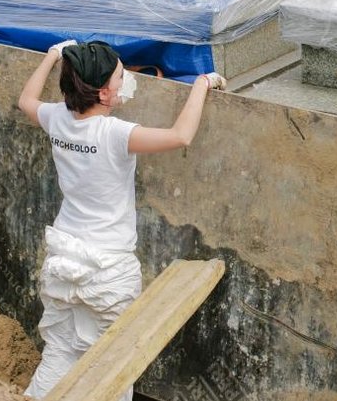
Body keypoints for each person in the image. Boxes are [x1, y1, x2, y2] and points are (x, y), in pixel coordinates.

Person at [17, 39, 226, 400]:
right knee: (113, 370)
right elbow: (181, 136)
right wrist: (202, 84)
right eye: (119, 76)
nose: (125, 78)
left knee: (60, 353)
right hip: (108, 271)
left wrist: (53, 55)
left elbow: (25, 101)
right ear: (103, 93)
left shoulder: (57, 119)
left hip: (63, 260)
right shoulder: (114, 134)